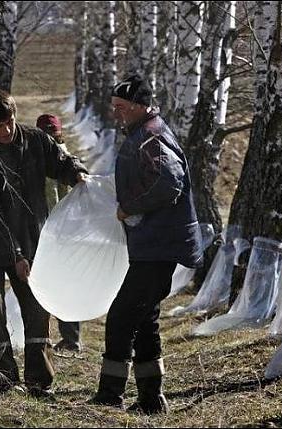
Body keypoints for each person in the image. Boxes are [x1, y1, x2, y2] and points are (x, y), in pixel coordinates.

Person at [0, 90, 88, 398]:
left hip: (31, 239)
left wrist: (77, 172)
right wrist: (14, 253)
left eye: (9, 122)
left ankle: (38, 380)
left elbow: (61, 161)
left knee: (36, 309)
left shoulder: (35, 140)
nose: (5, 131)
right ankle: (4, 381)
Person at [89, 75, 203, 414]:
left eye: (122, 108)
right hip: (153, 245)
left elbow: (170, 183)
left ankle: (111, 395)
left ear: (140, 106)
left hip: (159, 245)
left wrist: (130, 206)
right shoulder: (144, 133)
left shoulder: (150, 138)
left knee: (122, 317)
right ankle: (152, 401)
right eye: (115, 108)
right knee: (144, 319)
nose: (117, 114)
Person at [36, 113, 83, 354]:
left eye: (51, 133)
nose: (48, 138)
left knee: (63, 285)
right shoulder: (39, 157)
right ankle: (64, 337)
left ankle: (71, 338)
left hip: (61, 231)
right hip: (52, 230)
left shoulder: (64, 160)